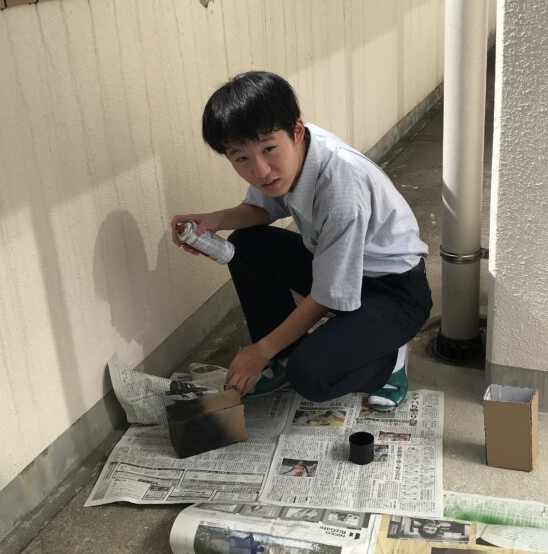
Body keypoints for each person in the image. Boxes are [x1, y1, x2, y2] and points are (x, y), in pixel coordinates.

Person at [171, 71, 431, 410]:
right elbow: (261, 210)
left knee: (310, 375)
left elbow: (326, 295)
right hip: (340, 267)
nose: (261, 170)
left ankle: (389, 359)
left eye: (268, 149)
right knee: (245, 247)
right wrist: (213, 221)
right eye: (241, 158)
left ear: (296, 130)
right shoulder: (295, 149)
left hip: (394, 291)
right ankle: (284, 355)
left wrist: (259, 350)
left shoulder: (341, 188)